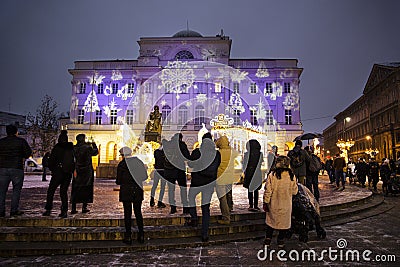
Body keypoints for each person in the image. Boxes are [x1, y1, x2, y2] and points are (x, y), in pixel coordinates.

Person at [186, 134, 221, 242]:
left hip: (197, 182)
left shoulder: (197, 152)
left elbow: (190, 165)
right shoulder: (217, 154)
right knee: (206, 208)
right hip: (209, 183)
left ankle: (194, 217)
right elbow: (217, 166)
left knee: (191, 198)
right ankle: (205, 234)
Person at [263, 156, 298, 248]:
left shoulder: (272, 175)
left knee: (271, 222)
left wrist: (266, 201)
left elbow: (268, 190)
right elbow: (295, 191)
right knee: (284, 223)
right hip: (286, 204)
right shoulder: (291, 176)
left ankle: (268, 239)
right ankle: (280, 240)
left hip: (274, 203)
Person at [116, 147, 147, 245]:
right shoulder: (139, 162)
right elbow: (145, 177)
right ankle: (141, 235)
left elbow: (118, 181)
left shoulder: (122, 164)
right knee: (138, 212)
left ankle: (128, 236)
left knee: (127, 214)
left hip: (126, 191)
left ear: (123, 155)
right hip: (137, 190)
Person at [0, 124, 32, 217]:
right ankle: (14, 210)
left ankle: (1, 211)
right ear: (16, 132)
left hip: (2, 168)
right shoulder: (21, 141)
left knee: (2, 191)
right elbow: (27, 153)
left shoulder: (1, 142)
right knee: (16, 190)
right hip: (16, 167)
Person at [42, 130, 75, 218]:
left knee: (51, 191)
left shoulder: (57, 148)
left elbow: (51, 161)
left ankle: (48, 209)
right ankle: (64, 211)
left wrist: (53, 169)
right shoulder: (71, 148)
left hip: (58, 173)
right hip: (67, 173)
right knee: (63, 192)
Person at [71, 134, 98, 214]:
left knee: (76, 188)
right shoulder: (87, 147)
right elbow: (96, 152)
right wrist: (93, 143)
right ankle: (84, 207)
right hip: (87, 170)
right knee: (86, 188)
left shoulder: (74, 148)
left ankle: (73, 207)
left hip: (78, 170)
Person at [163, 133, 190, 214]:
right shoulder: (181, 145)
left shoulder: (168, 144)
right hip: (179, 169)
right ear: (180, 138)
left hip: (169, 170)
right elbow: (187, 156)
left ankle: (173, 207)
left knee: (171, 190)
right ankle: (185, 207)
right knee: (183, 189)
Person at [215, 135, 238, 225]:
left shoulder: (218, 153)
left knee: (222, 198)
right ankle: (230, 207)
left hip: (220, 177)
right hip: (230, 177)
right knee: (229, 194)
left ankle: (226, 217)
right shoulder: (232, 152)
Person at [242, 139, 263, 211]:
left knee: (250, 189)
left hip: (249, 173)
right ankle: (256, 205)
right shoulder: (260, 154)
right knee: (256, 190)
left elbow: (244, 164)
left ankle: (251, 205)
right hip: (257, 173)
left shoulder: (247, 154)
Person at [150, 143, 166, 208]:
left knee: (154, 186)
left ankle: (152, 200)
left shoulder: (156, 151)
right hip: (163, 171)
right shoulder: (165, 152)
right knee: (162, 187)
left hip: (157, 170)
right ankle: (159, 202)